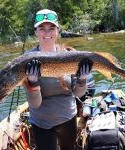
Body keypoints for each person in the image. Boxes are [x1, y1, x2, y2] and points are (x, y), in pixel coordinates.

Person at [23, 9, 93, 150]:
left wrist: (83, 79)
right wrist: (33, 83)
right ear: (36, 31)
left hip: (68, 118)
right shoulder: (27, 60)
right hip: (41, 123)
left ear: (58, 31)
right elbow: (35, 104)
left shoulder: (70, 55)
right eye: (42, 28)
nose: (47, 33)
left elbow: (78, 94)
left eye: (52, 28)